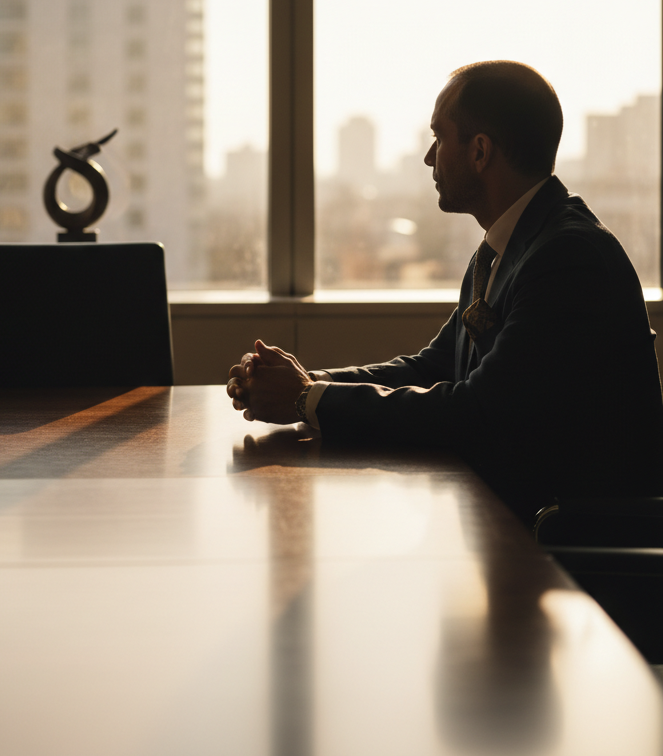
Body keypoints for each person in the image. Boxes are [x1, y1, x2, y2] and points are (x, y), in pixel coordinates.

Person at [227, 60, 663, 521]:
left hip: (575, 543)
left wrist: (304, 399)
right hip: (520, 520)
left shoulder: (568, 258)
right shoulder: (508, 246)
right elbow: (438, 366)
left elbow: (480, 413)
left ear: (479, 152)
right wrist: (308, 382)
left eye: (438, 137)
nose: (429, 157)